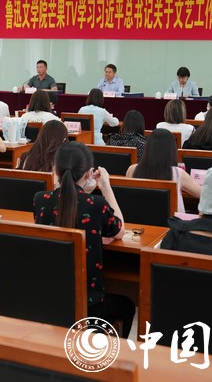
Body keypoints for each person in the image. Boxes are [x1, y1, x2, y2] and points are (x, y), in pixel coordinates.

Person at [33, 142, 135, 334]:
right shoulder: (96, 205)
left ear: (56, 170)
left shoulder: (40, 200)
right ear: (88, 174)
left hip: (49, 298)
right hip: (90, 306)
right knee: (128, 306)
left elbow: (70, 203)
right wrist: (106, 187)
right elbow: (120, 231)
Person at [126, 129, 201, 212]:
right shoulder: (178, 173)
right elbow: (201, 193)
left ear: (147, 147)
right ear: (172, 150)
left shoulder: (132, 169)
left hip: (138, 218)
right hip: (172, 219)